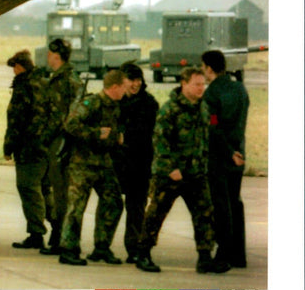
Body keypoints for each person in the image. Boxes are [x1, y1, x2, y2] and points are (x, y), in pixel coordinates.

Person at [134, 67, 229, 274]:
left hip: (196, 173)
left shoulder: (203, 108)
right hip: (170, 174)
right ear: (184, 84)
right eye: (196, 84)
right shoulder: (170, 109)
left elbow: (208, 135)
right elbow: (160, 141)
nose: (201, 88)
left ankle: (205, 257)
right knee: (156, 214)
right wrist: (171, 168)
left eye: (203, 84)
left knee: (204, 214)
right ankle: (143, 253)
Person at [58, 69, 128, 266]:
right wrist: (95, 133)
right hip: (83, 164)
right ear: (115, 87)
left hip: (103, 163)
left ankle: (102, 247)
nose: (125, 91)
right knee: (76, 207)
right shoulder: (91, 103)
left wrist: (115, 137)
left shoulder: (114, 106)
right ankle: (69, 249)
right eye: (123, 87)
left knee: (114, 202)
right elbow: (70, 125)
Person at [33, 38, 85, 256]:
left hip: (61, 142)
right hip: (65, 141)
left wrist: (44, 138)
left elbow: (58, 117)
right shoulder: (71, 78)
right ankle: (60, 237)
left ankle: (62, 241)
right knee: (60, 193)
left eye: (49, 54)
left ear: (55, 56)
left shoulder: (63, 81)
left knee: (61, 194)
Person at [201, 50, 250, 269]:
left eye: (203, 67)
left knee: (221, 205)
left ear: (209, 68)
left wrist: (228, 151)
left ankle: (223, 253)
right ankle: (239, 255)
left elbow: (214, 127)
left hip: (220, 156)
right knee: (234, 202)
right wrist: (236, 150)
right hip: (239, 153)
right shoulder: (240, 88)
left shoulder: (212, 94)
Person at [3, 50, 49, 249]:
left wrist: (8, 147)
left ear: (20, 67)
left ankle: (37, 234)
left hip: (28, 148)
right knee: (44, 190)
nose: (13, 71)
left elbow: (16, 121)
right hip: (46, 146)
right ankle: (58, 229)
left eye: (14, 67)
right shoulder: (44, 83)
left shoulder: (23, 87)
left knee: (28, 188)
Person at [114, 62, 159, 264]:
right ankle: (101, 246)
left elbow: (150, 135)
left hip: (139, 162)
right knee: (111, 204)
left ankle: (134, 249)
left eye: (138, 80)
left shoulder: (149, 104)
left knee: (136, 208)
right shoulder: (115, 101)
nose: (136, 84)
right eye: (131, 80)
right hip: (117, 161)